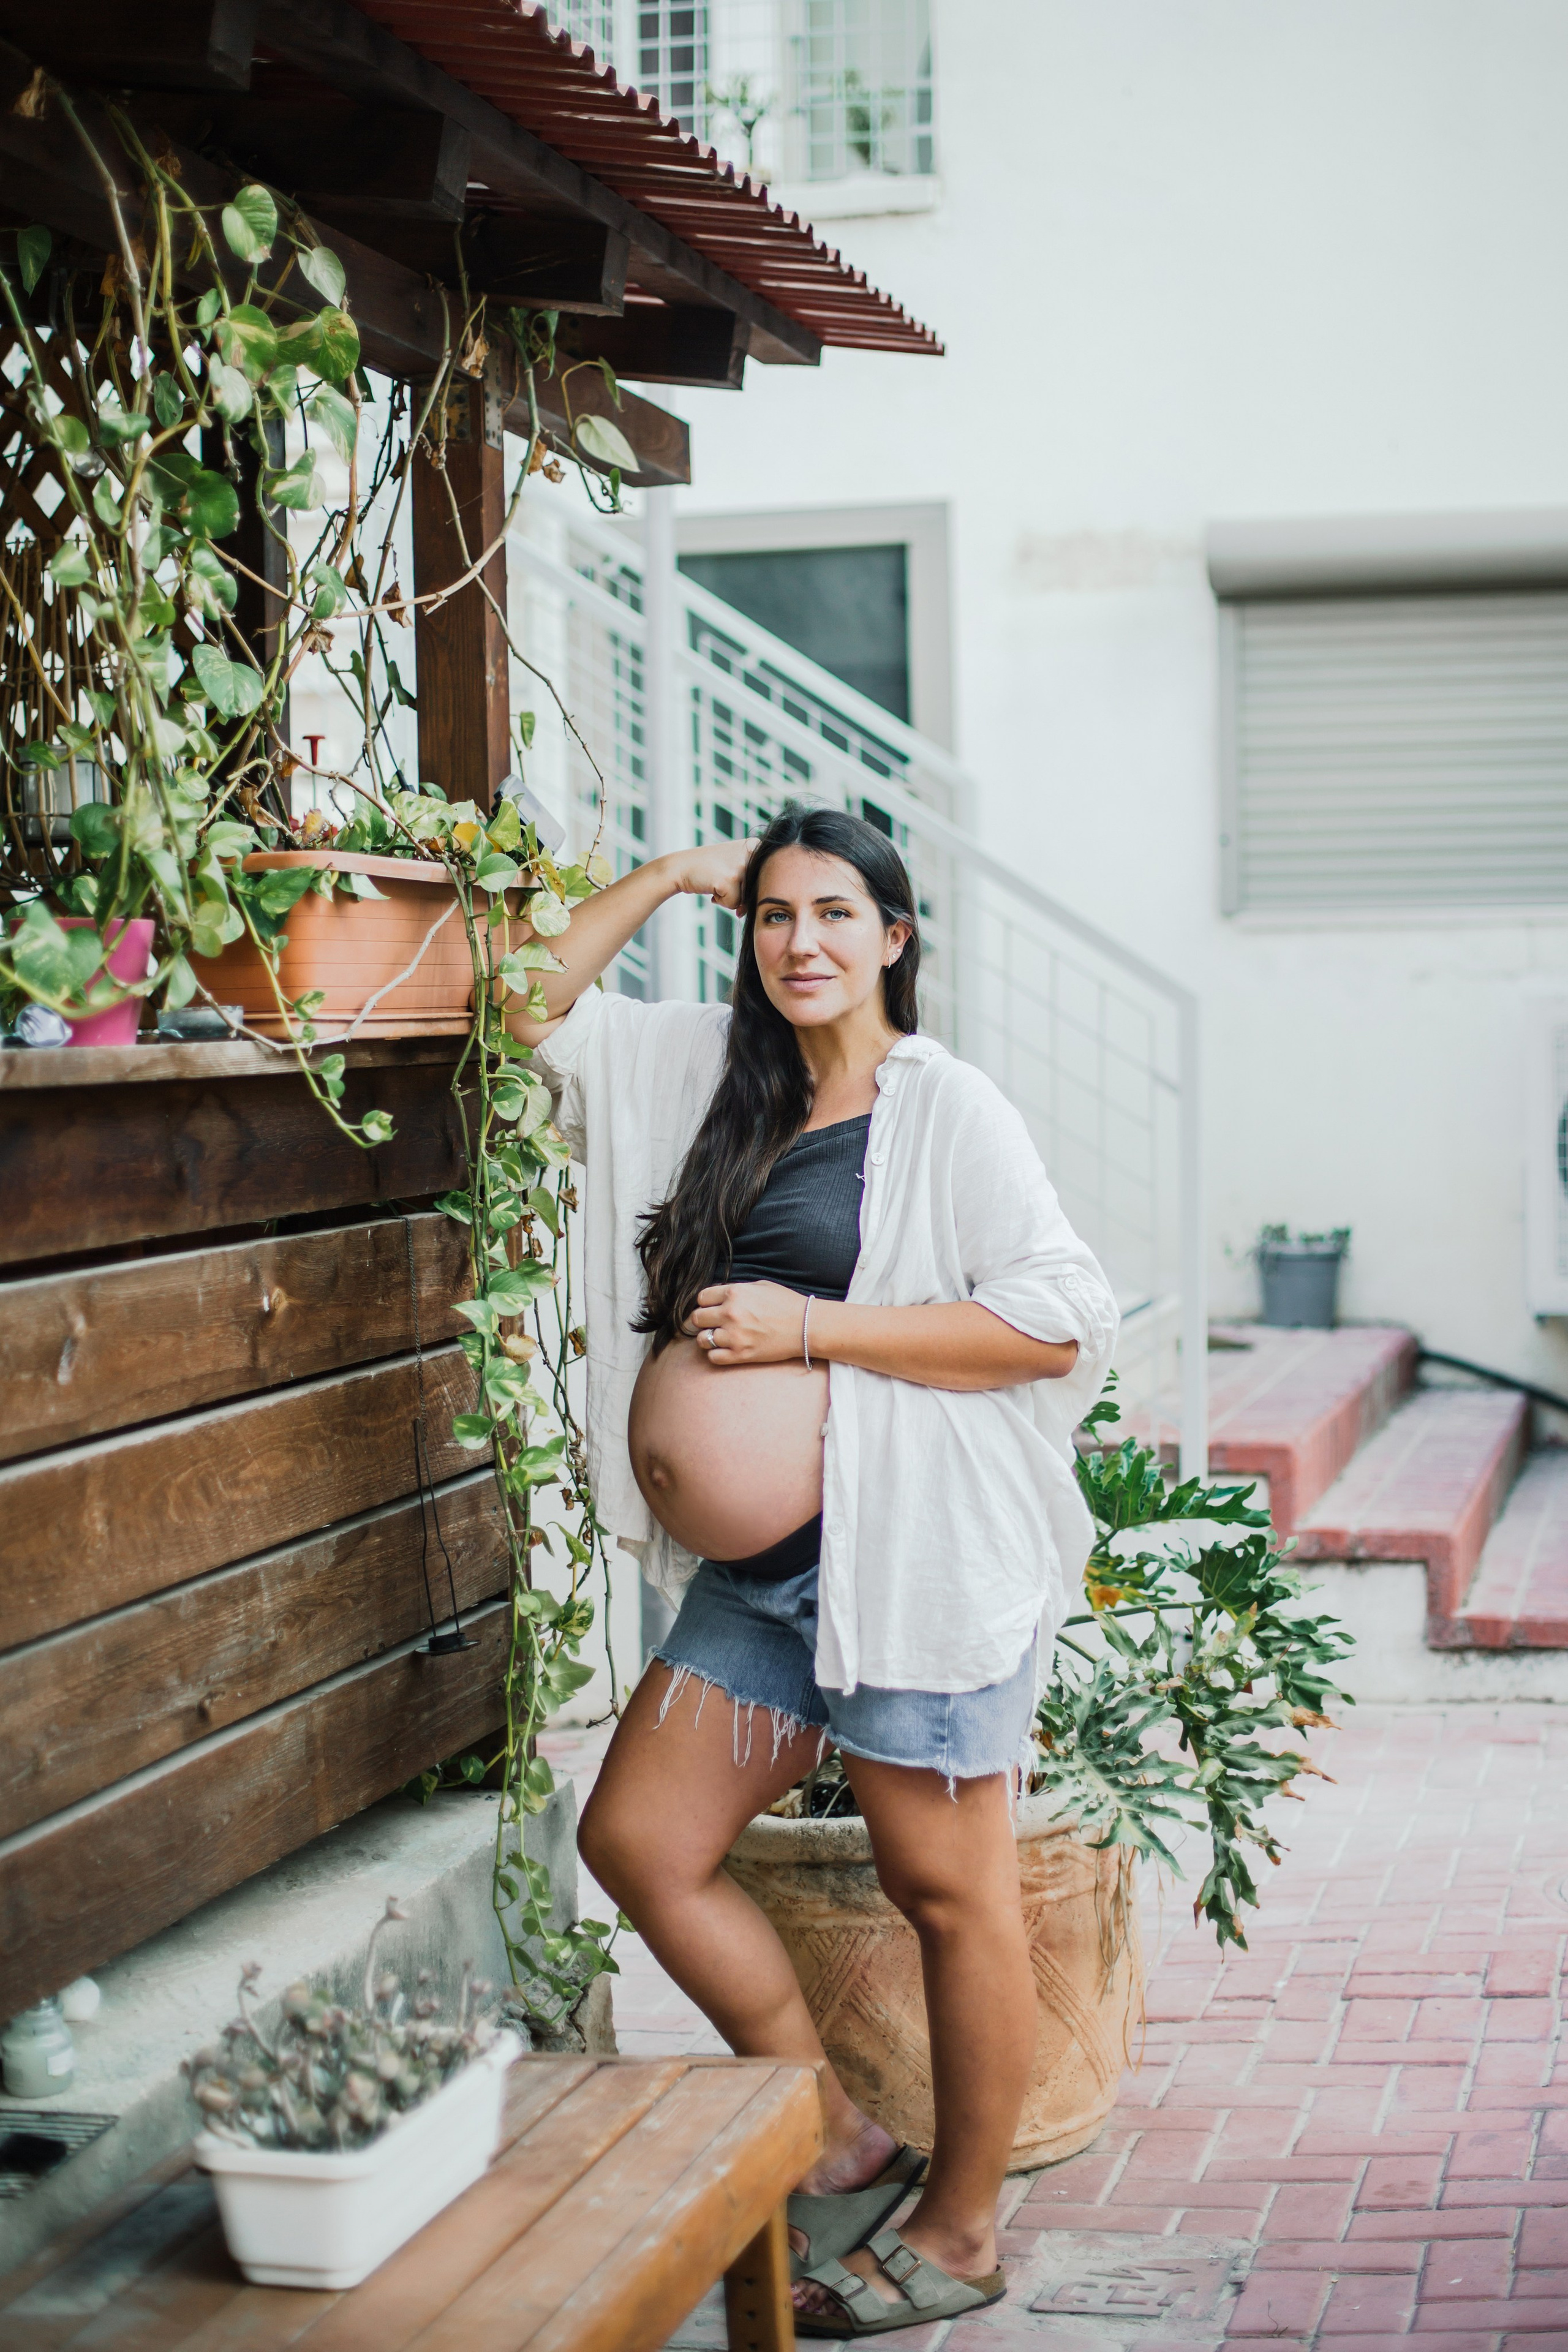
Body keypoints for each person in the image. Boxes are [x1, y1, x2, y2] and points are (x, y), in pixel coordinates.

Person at [511, 804, 1118, 2336]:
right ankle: (835, 2134)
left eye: (837, 914)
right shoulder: (706, 1077)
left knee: (948, 1892)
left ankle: (961, 2232)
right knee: (640, 1840)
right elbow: (517, 1003)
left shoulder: (943, 1106)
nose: (801, 943)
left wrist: (811, 1329)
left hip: (902, 1557)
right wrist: (667, 875)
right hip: (765, 1584)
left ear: (893, 938)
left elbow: (1057, 1320)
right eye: (775, 915)